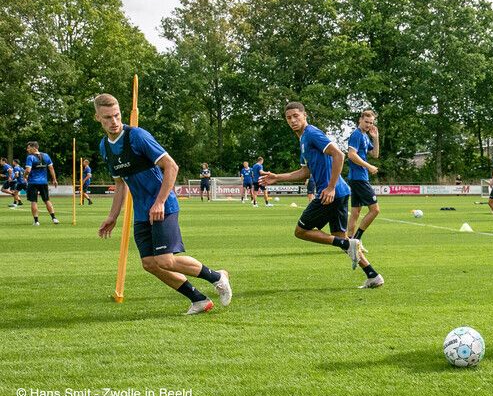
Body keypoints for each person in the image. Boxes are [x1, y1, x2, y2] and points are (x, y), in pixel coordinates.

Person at [93, 94, 232, 315]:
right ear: (98, 118)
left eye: (117, 115)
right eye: (108, 117)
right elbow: (120, 184)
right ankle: (198, 300)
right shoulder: (105, 147)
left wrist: (159, 202)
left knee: (165, 260)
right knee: (150, 263)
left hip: (163, 206)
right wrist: (113, 216)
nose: (114, 121)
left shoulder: (137, 136)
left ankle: (217, 277)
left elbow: (171, 166)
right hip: (142, 212)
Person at [259, 101, 384, 289]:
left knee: (301, 231)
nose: (293, 120)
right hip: (339, 193)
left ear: (304, 115)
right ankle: (373, 275)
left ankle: (347, 244)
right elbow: (305, 172)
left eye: (296, 116)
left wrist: (331, 187)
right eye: (289, 118)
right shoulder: (303, 140)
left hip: (331, 194)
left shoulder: (312, 133)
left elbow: (339, 155)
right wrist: (278, 177)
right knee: (339, 236)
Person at [346, 109, 380, 242]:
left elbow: (375, 154)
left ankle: (349, 241)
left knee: (355, 212)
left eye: (371, 123)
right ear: (360, 120)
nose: (368, 125)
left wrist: (376, 138)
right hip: (358, 178)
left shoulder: (365, 136)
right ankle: (357, 239)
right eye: (366, 122)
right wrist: (369, 166)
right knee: (375, 210)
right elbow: (351, 155)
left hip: (358, 178)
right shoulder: (356, 135)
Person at [24, 142, 59, 226]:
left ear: (34, 148)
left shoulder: (30, 157)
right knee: (47, 200)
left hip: (33, 182)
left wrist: (24, 176)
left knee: (33, 201)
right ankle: (54, 218)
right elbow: (51, 168)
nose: (27, 150)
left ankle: (36, 221)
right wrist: (54, 179)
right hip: (44, 182)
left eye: (29, 148)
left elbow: (28, 170)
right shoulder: (46, 155)